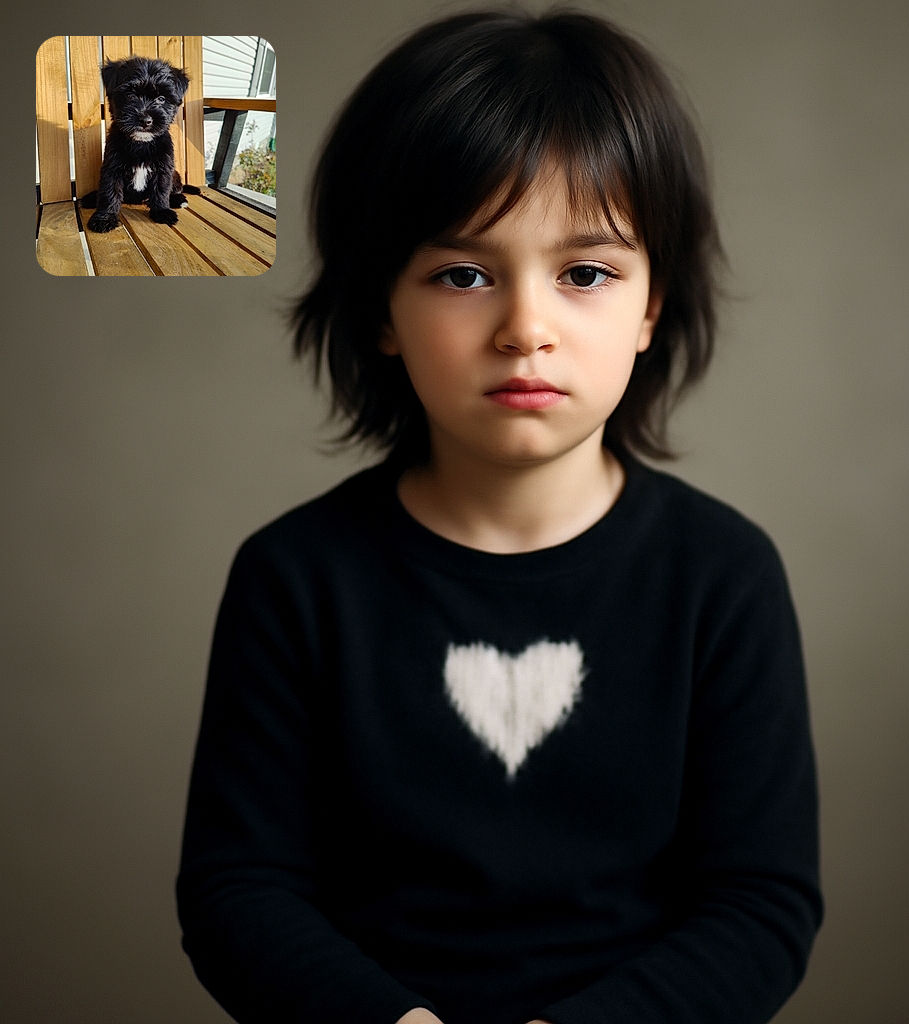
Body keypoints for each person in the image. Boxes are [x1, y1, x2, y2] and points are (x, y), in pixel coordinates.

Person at [176, 9, 822, 1024]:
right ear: (382, 311)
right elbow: (238, 892)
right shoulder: (296, 576)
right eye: (463, 274)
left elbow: (759, 903)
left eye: (586, 273)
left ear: (651, 305)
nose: (526, 327)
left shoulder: (721, 574)